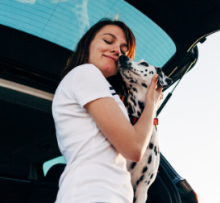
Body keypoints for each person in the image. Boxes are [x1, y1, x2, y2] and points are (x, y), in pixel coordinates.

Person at [52, 18, 163, 203]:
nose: (117, 50)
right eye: (108, 41)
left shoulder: (102, 90)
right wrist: (151, 104)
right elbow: (134, 148)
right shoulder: (86, 73)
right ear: (88, 44)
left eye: (123, 50)